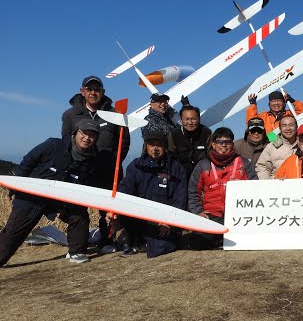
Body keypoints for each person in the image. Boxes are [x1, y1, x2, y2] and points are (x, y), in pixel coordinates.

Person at [0, 120, 102, 265]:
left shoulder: (91, 160)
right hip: (32, 197)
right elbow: (27, 162)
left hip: (60, 199)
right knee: (13, 232)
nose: (87, 138)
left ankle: (77, 251)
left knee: (79, 213)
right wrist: (15, 186)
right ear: (76, 133)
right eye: (84, 133)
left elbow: (86, 184)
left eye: (92, 135)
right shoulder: (53, 145)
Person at [62, 75, 130, 252]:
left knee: (108, 209)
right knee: (77, 209)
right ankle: (78, 246)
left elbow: (124, 142)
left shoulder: (116, 114)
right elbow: (66, 142)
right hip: (80, 170)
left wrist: (113, 162)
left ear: (103, 92)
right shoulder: (70, 115)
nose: (93, 92)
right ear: (82, 91)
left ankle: (107, 242)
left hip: (107, 170)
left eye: (97, 89)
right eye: (89, 89)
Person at [117, 131, 188, 258]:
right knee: (122, 215)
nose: (155, 148)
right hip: (143, 219)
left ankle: (149, 242)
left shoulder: (176, 168)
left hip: (166, 222)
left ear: (165, 147)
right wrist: (114, 209)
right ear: (146, 146)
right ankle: (133, 239)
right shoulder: (136, 165)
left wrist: (169, 222)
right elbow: (125, 189)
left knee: (157, 248)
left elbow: (180, 199)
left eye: (159, 145)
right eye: (151, 144)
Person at [188, 127, 258, 249]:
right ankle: (220, 238)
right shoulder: (203, 164)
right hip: (212, 214)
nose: (224, 145)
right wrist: (198, 212)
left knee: (251, 239)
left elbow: (255, 187)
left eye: (228, 142)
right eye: (220, 142)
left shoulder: (243, 162)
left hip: (239, 214)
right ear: (213, 145)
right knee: (198, 242)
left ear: (232, 144)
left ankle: (222, 238)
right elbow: (193, 191)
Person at [168, 104, 212, 178]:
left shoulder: (206, 133)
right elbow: (170, 155)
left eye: (193, 119)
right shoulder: (174, 135)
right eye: (187, 119)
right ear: (181, 120)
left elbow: (211, 154)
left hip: (202, 175)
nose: (190, 122)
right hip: (180, 176)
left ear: (199, 119)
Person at [255, 115, 298, 179]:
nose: (288, 128)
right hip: (277, 185)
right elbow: (262, 167)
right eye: (284, 125)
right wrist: (269, 183)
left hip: (299, 185)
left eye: (291, 125)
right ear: (280, 129)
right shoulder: (271, 146)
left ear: (296, 127)